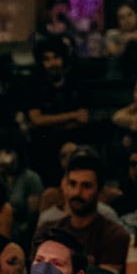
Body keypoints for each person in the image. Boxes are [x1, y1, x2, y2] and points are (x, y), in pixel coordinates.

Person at [32, 153, 130, 274]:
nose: (77, 192)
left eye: (86, 186)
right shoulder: (48, 231)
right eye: (72, 184)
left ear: (100, 191)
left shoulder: (114, 236)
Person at [27, 37, 91, 184]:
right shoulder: (34, 85)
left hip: (74, 138)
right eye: (47, 59)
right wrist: (72, 115)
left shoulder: (76, 82)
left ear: (63, 59)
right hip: (45, 142)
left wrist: (49, 122)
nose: (52, 63)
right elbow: (36, 120)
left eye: (56, 58)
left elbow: (83, 119)